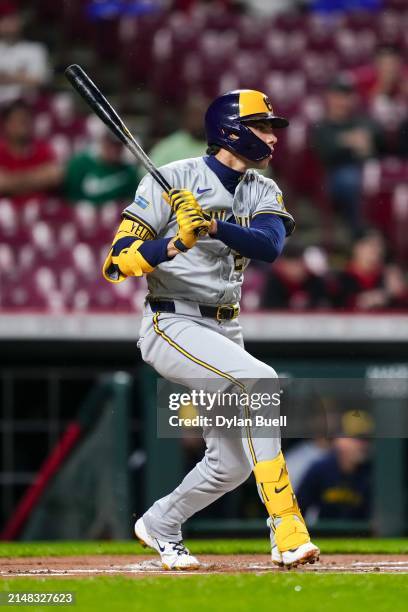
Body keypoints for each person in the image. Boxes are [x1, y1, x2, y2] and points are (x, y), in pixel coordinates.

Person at [103, 89, 319, 570]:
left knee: (231, 465)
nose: (271, 137)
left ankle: (160, 522)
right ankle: (285, 525)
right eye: (263, 127)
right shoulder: (171, 180)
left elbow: (268, 246)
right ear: (232, 130)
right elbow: (117, 263)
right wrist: (173, 243)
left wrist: (213, 228)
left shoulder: (263, 188)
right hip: (171, 321)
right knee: (261, 381)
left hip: (225, 327)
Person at [312, 76, 384, 235]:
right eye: (337, 96)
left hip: (367, 172)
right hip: (334, 177)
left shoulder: (360, 121)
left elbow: (378, 135)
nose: (342, 101)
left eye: (346, 96)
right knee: (350, 179)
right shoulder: (322, 125)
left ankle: (382, 232)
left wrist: (363, 139)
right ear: (329, 98)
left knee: (381, 181)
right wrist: (348, 141)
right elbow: (325, 151)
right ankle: (359, 232)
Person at [297, 434, 372, 523]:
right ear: (340, 441)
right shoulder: (320, 469)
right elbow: (298, 508)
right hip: (325, 534)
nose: (362, 445)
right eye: (357, 440)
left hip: (360, 535)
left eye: (365, 441)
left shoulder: (370, 472)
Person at [0, 99, 62, 205]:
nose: (24, 124)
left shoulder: (43, 149)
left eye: (26, 120)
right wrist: (37, 178)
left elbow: (54, 176)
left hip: (40, 211)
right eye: (19, 120)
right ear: (7, 124)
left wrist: (11, 181)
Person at [333, 229, 408, 310]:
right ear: (357, 248)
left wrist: (399, 294)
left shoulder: (388, 277)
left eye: (380, 245)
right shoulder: (341, 279)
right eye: (371, 245)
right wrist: (360, 302)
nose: (377, 250)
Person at [64, 128, 140, 206]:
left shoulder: (128, 173)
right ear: (103, 143)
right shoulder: (81, 165)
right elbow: (71, 198)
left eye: (118, 145)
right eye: (111, 145)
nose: (114, 149)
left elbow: (132, 202)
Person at [0, 0, 51, 106]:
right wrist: (21, 76)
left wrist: (6, 77)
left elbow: (39, 80)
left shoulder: (35, 49)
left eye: (13, 19)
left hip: (27, 107)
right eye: (5, 19)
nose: (10, 24)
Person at [261, 241, 330, 310]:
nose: (293, 268)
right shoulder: (274, 281)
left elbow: (324, 304)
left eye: (297, 264)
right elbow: (270, 307)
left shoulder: (315, 281)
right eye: (289, 264)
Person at [147, 96, 208, 169]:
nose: (198, 121)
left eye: (202, 115)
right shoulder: (170, 145)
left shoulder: (221, 146)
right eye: (194, 116)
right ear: (186, 118)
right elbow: (149, 171)